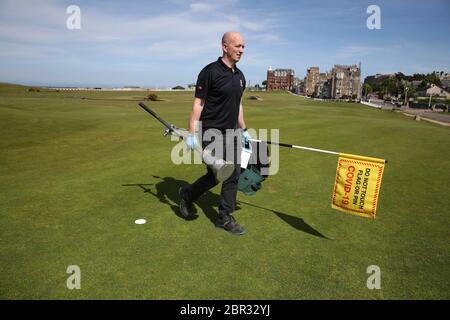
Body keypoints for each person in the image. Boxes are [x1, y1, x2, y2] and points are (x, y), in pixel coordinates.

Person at [178, 31, 251, 236]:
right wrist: (192, 133)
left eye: (243, 46)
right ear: (224, 46)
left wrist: (244, 129)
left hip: (233, 133)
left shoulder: (240, 76)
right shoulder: (210, 72)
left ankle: (224, 217)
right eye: (237, 46)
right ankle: (188, 194)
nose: (241, 50)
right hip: (211, 133)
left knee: (233, 172)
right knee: (214, 176)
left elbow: (238, 104)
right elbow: (198, 104)